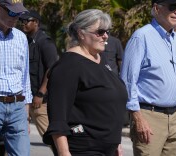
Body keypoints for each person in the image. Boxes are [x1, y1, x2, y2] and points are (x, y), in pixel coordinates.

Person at [43, 9, 127, 156]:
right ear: (81, 34)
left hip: (107, 148)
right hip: (83, 148)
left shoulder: (101, 59)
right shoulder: (68, 66)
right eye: (100, 32)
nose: (105, 36)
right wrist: (64, 152)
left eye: (107, 31)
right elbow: (58, 118)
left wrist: (116, 142)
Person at [120, 0, 176, 155]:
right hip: (149, 116)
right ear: (157, 9)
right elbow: (127, 81)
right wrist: (137, 117)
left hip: (175, 117)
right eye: (172, 6)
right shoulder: (141, 37)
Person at [19, 10, 59, 155]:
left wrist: (41, 93)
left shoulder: (44, 42)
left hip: (40, 101)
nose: (23, 23)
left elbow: (52, 68)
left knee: (52, 138)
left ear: (36, 22)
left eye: (26, 21)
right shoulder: (26, 41)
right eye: (21, 21)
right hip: (26, 99)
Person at [0, 0, 32, 156]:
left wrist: (26, 113)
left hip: (17, 106)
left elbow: (25, 77)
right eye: (12, 12)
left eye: (19, 14)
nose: (16, 17)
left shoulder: (21, 38)